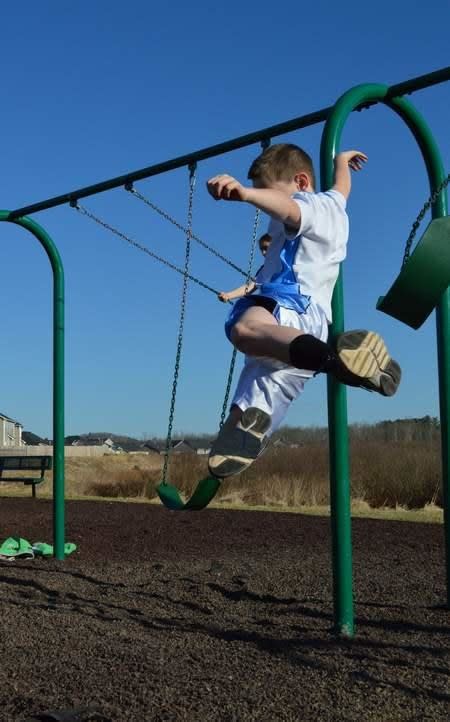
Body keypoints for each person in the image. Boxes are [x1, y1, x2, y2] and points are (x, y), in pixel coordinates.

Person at [206, 143, 401, 478]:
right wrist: (341, 162)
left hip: (288, 307)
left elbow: (290, 208)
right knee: (261, 394)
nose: (271, 212)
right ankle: (247, 431)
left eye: (270, 195)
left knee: (243, 328)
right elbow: (342, 188)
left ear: (300, 182)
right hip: (302, 333)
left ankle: (336, 363)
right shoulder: (334, 206)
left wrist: (246, 193)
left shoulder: (308, 205)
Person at [217, 232, 272, 303]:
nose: (263, 253)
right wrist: (228, 295)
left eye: (266, 248)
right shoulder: (264, 270)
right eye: (261, 249)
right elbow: (249, 287)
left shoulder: (289, 264)